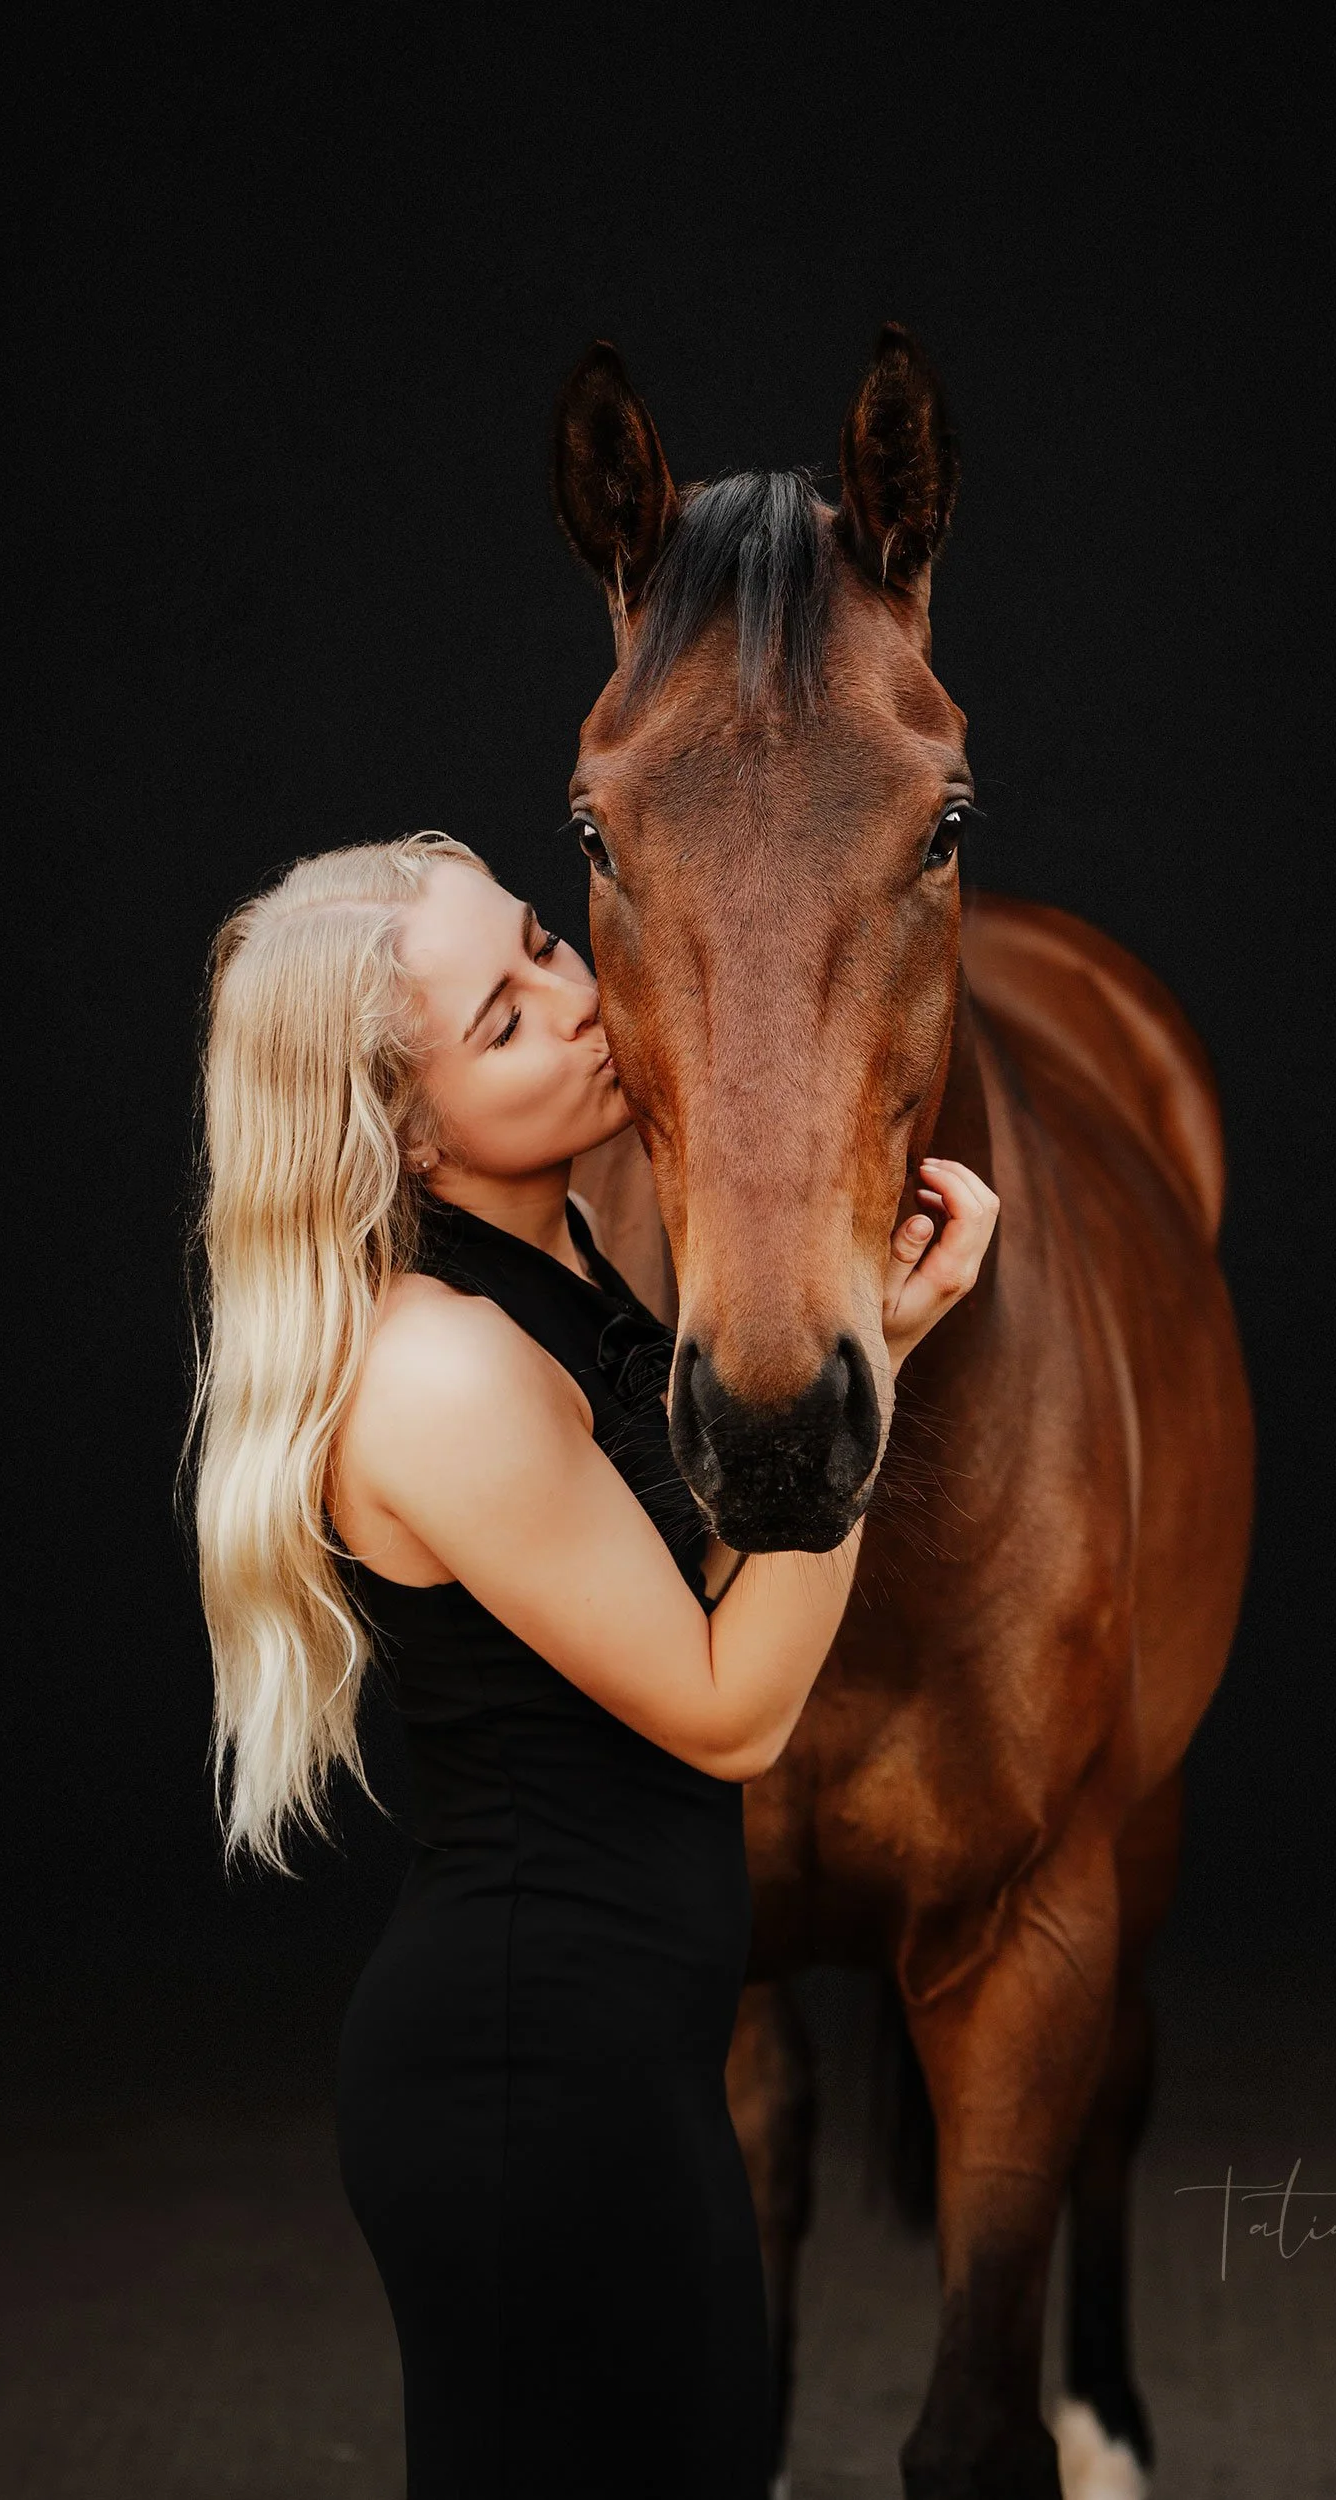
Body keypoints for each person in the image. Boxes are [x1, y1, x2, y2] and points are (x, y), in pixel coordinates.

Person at [187, 829, 998, 2499]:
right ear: (407, 1137)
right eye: (500, 1019)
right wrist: (874, 1378)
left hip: (617, 2068)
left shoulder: (562, 1273)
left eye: (547, 941)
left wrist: (881, 1329)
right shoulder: (442, 1371)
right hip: (525, 2093)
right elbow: (729, 1708)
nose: (573, 997)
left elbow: (678, 1586)